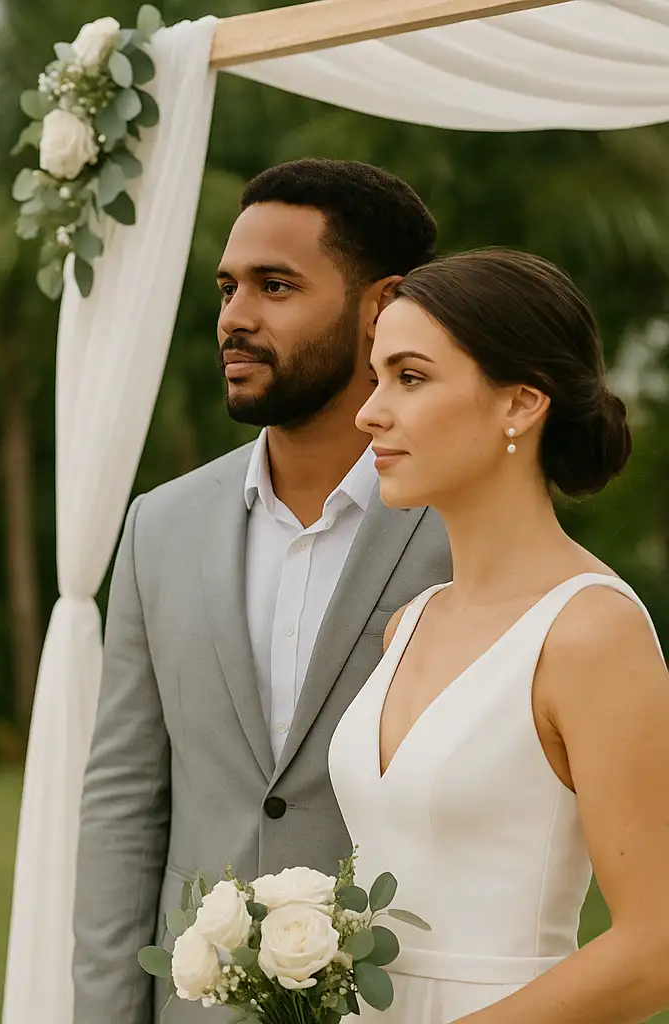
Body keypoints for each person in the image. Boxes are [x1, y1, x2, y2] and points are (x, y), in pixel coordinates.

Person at [72, 158, 454, 1023]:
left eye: (275, 286)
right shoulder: (157, 528)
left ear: (381, 308)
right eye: (228, 287)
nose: (236, 319)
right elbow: (124, 804)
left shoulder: (459, 529)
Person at [330, 248, 669, 1022]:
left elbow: (657, 946)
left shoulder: (592, 632)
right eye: (377, 375)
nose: (370, 411)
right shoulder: (407, 624)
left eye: (410, 378)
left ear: (519, 403)